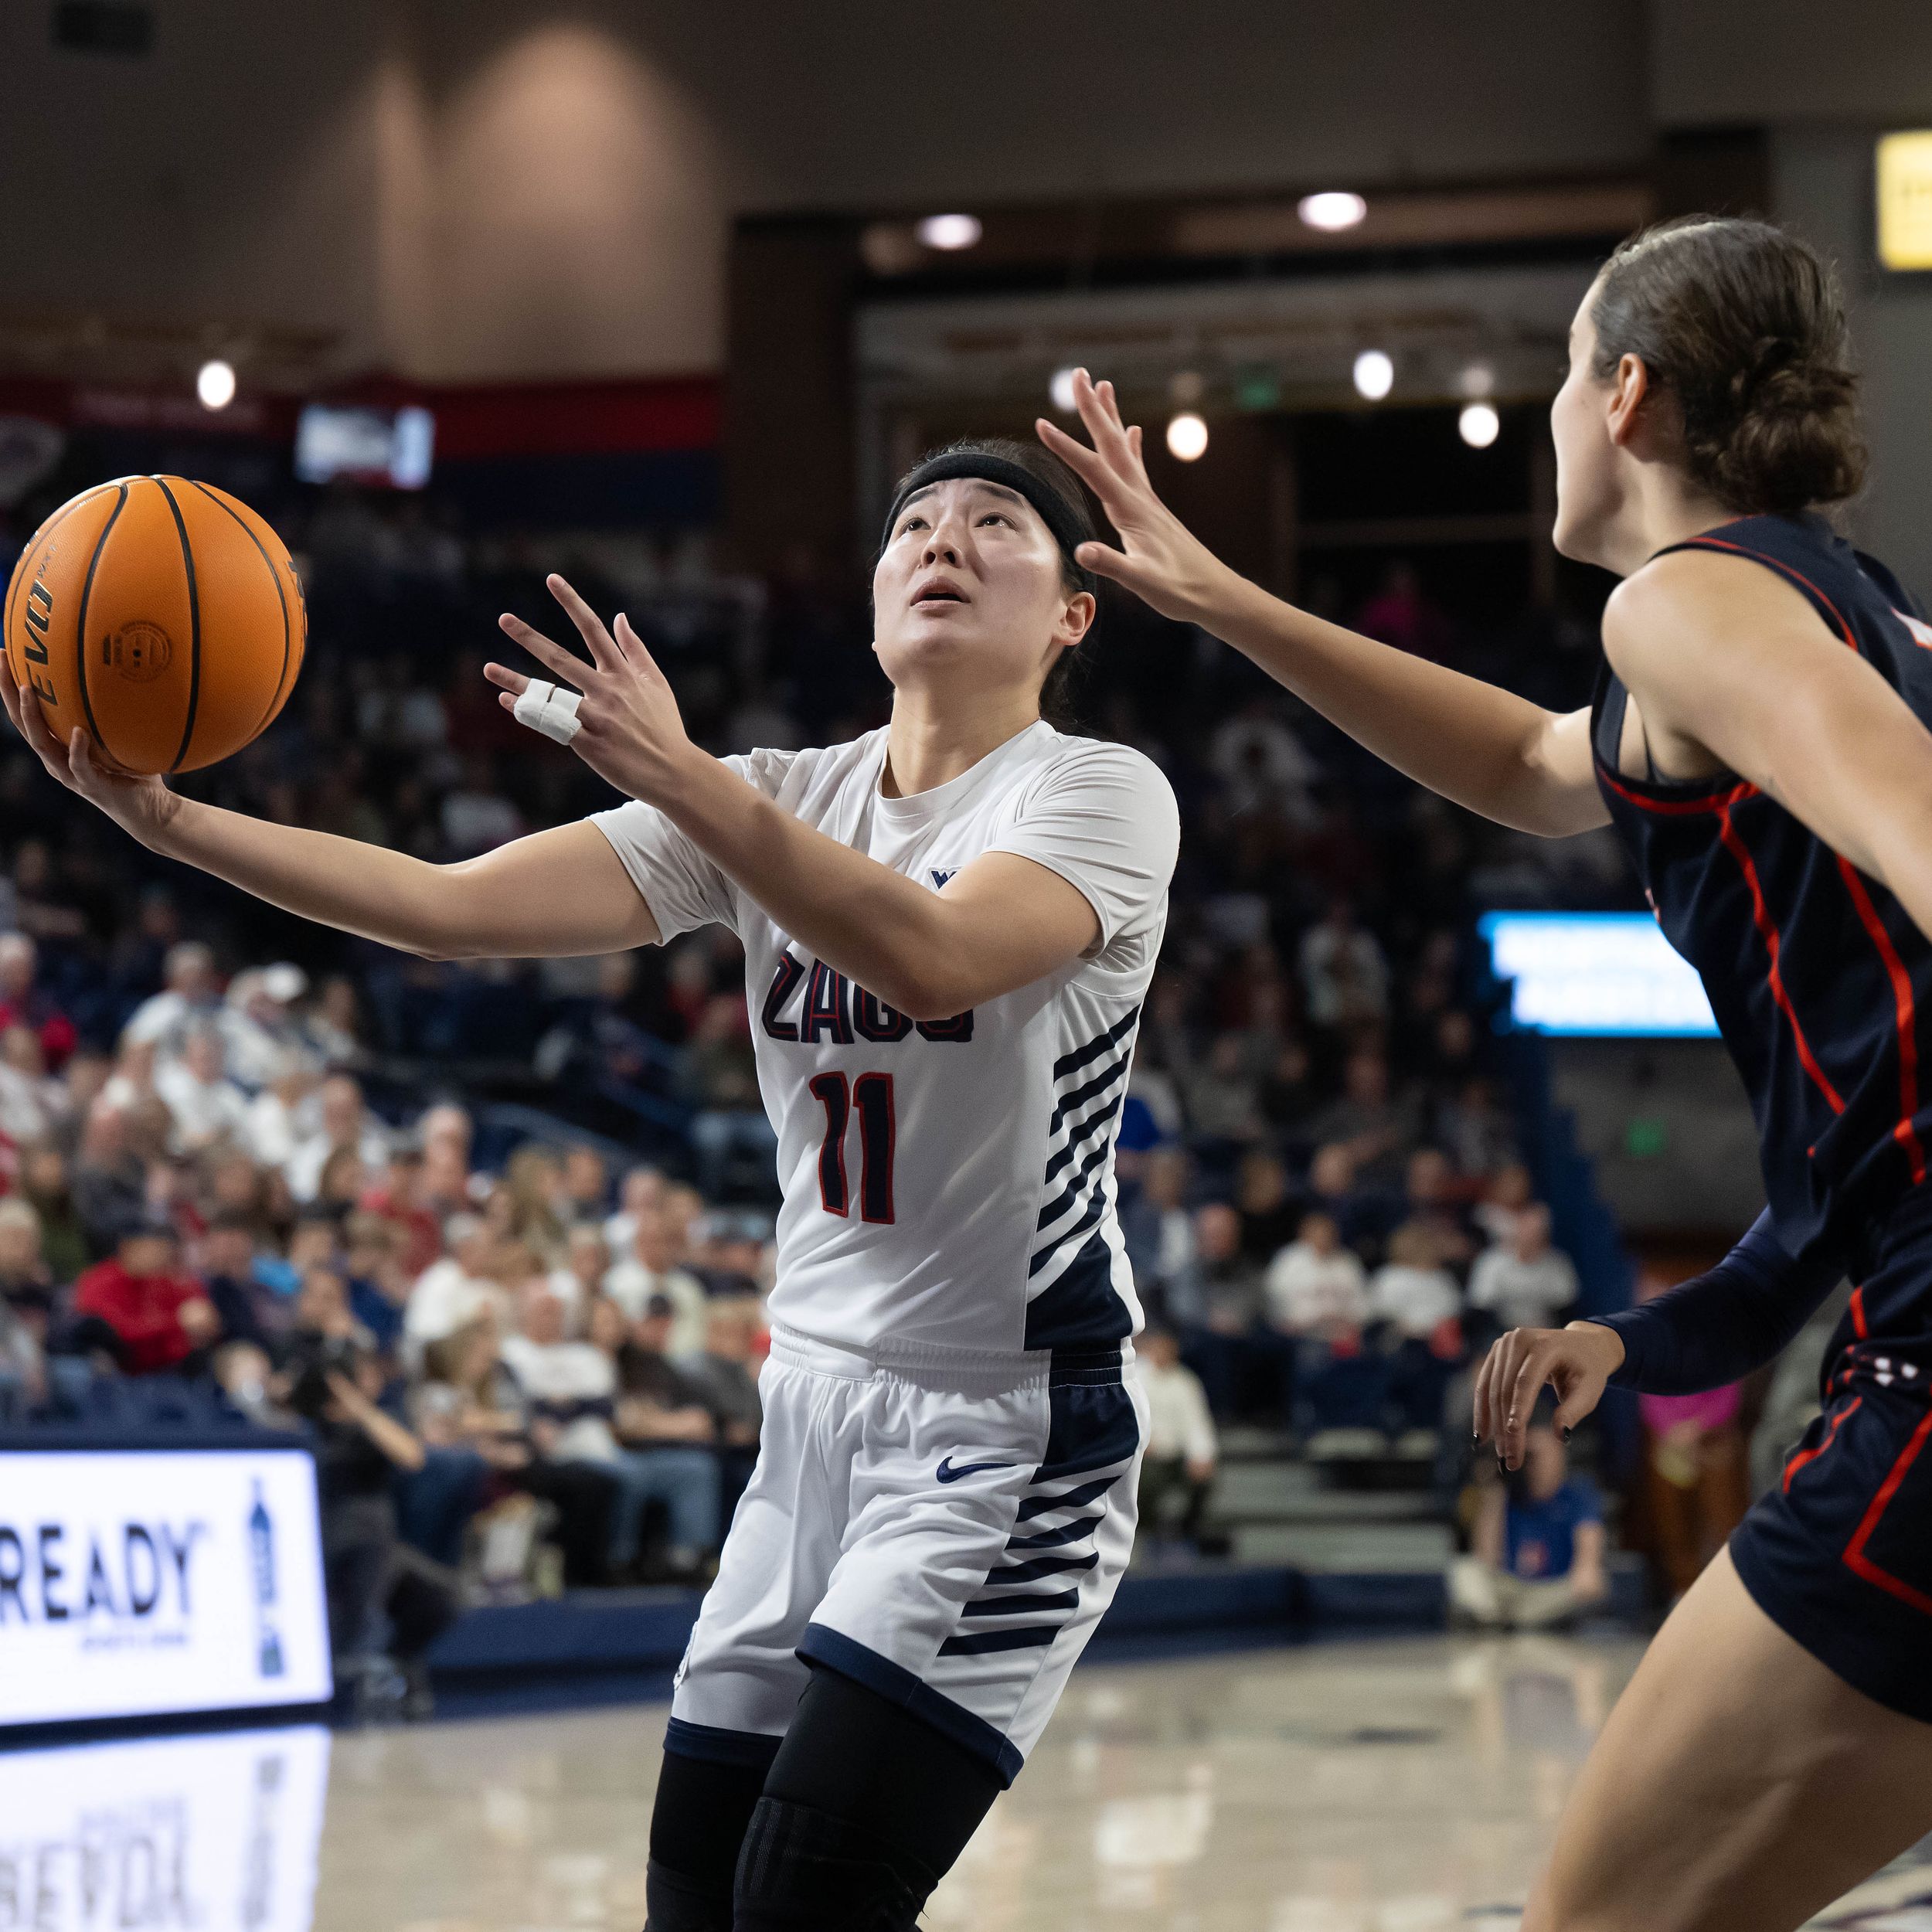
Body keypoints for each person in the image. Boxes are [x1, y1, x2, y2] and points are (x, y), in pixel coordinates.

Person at [7, 431, 1178, 1930]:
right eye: (914, 524)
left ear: (1072, 611)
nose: (942, 537)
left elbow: (934, 953)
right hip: (808, 1410)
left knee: (801, 1898)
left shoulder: (1100, 795)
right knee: (693, 1902)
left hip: (1008, 1428)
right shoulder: (778, 792)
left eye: (995, 521)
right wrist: (160, 819)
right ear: (875, 598)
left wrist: (685, 778)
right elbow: (443, 911)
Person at [1036, 219, 1932, 1927]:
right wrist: (1225, 598)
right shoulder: (1840, 605)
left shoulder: (1686, 598)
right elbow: (1534, 765)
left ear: (1623, 391)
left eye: (1555, 376)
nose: (1543, 417)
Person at [1450, 1410, 1608, 1631]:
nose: (1534, 1462)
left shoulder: (1576, 1493)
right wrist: (1494, 1489)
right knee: (1465, 1571)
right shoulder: (1510, 1493)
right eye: (1529, 1454)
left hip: (1551, 1590)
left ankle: (1519, 1623)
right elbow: (1486, 1558)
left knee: (1586, 1586)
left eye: (1540, 1454)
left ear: (1559, 1455)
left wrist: (1587, 1566)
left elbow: (1589, 1536)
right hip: (1512, 1588)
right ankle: (1500, 1621)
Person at [1134, 1325, 1218, 1553]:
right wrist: (1141, 1443)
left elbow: (1197, 1424)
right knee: (1146, 1479)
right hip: (1145, 1455)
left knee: (1204, 1480)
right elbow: (1129, 1418)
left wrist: (1201, 1456)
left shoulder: (1185, 1382)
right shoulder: (1136, 1377)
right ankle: (1143, 1530)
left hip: (1175, 1457)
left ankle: (1188, 1530)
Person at [1464, 1203, 1578, 1336]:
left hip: (1546, 1329)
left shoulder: (1557, 1262)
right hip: (1500, 1330)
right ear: (1517, 1230)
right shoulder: (1492, 1261)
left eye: (1537, 1232)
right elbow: (1480, 1302)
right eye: (1526, 1230)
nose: (1530, 1237)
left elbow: (1567, 1299)